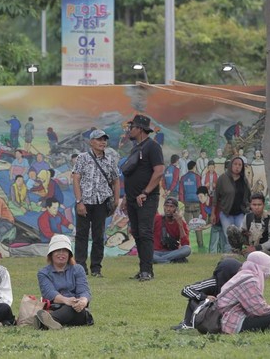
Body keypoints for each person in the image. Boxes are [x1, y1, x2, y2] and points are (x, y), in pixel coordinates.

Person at [121, 114, 164, 282]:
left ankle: (148, 270)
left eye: (132, 127)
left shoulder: (152, 147)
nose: (129, 130)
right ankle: (142, 269)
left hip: (146, 198)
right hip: (132, 198)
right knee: (137, 233)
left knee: (145, 232)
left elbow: (159, 171)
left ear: (139, 129)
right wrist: (126, 197)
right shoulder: (136, 148)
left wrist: (145, 192)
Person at [72, 129, 120, 277]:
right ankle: (80, 268)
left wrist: (116, 200)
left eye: (104, 139)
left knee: (99, 236)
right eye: (99, 139)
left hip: (102, 202)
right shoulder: (82, 158)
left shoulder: (110, 159)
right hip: (85, 201)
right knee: (82, 235)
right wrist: (79, 201)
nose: (102, 142)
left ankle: (96, 268)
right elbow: (76, 179)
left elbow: (115, 180)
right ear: (91, 142)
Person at [216, 251, 270, 334]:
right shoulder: (249, 280)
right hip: (231, 322)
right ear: (261, 267)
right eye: (268, 267)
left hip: (226, 318)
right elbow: (259, 309)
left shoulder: (244, 275)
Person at [36, 234, 93, 330]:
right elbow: (49, 293)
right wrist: (66, 300)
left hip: (77, 309)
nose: (61, 254)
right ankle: (50, 321)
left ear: (69, 254)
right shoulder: (43, 273)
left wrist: (83, 301)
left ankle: (46, 321)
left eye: (65, 251)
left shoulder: (78, 269)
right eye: (58, 250)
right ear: (51, 254)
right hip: (56, 307)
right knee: (68, 307)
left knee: (72, 308)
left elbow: (84, 290)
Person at [172, 258, 242, 330]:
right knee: (194, 299)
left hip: (226, 315)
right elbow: (186, 290)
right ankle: (188, 324)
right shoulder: (213, 282)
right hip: (207, 314)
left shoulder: (239, 284)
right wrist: (205, 297)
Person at [212, 157, 251, 250]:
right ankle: (229, 258)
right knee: (228, 237)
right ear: (231, 165)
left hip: (240, 213)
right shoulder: (222, 179)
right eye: (235, 164)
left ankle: (240, 255)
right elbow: (216, 197)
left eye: (240, 165)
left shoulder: (244, 180)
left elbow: (249, 196)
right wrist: (213, 213)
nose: (237, 167)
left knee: (240, 235)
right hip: (226, 213)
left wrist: (249, 208)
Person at [152, 197, 191, 264]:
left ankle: (161, 260)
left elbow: (185, 244)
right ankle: (172, 260)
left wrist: (180, 225)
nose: (168, 209)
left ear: (176, 209)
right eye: (166, 206)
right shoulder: (156, 218)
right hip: (155, 252)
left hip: (171, 252)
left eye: (171, 207)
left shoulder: (180, 222)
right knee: (144, 253)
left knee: (187, 249)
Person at [178, 161, 202, 249]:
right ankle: (200, 245)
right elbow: (200, 191)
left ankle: (185, 245)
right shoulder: (197, 177)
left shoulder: (183, 178)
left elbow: (181, 192)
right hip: (196, 204)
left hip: (187, 204)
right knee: (198, 226)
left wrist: (182, 203)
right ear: (194, 167)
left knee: (186, 227)